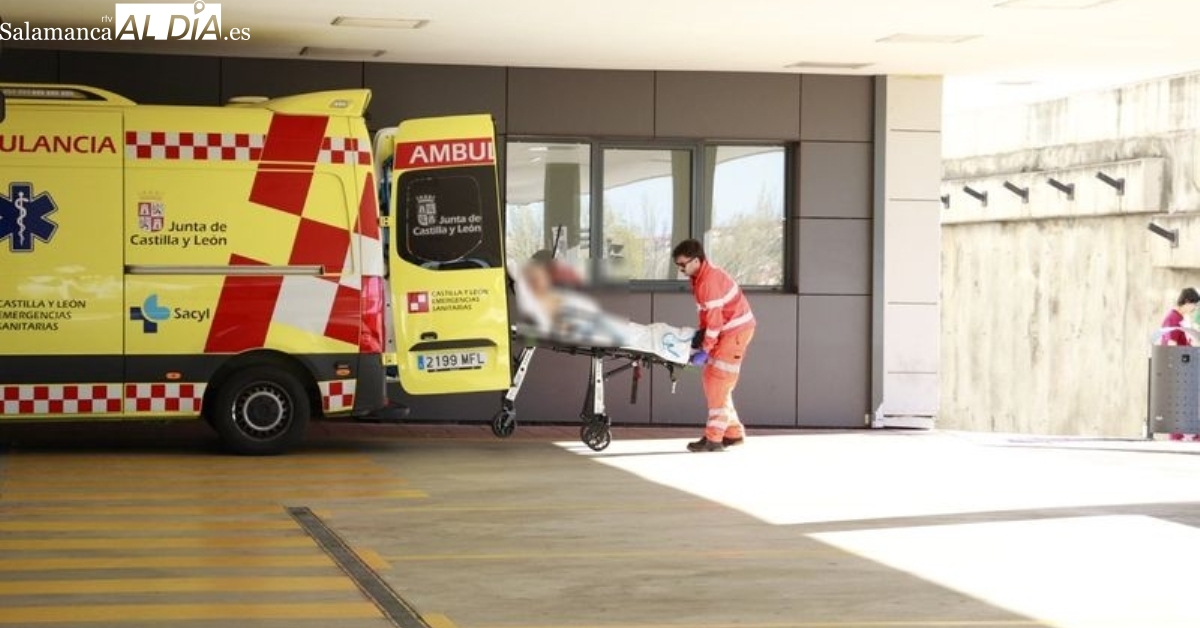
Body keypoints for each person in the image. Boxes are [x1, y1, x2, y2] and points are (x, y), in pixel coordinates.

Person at [672, 239, 756, 453]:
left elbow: (715, 321)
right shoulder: (701, 277)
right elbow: (707, 315)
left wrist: (706, 349)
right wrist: (702, 336)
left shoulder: (708, 281)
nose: (681, 269)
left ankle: (714, 439)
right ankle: (733, 433)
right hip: (730, 332)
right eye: (678, 265)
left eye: (682, 265)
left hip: (733, 333)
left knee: (717, 382)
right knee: (716, 381)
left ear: (696, 260)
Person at [1160, 287, 1200, 441]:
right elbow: (1171, 345)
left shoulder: (1179, 318)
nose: (1194, 309)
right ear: (1187, 301)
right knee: (1178, 407)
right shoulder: (1173, 319)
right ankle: (1179, 438)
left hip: (1183, 369)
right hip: (1178, 371)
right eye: (1194, 305)